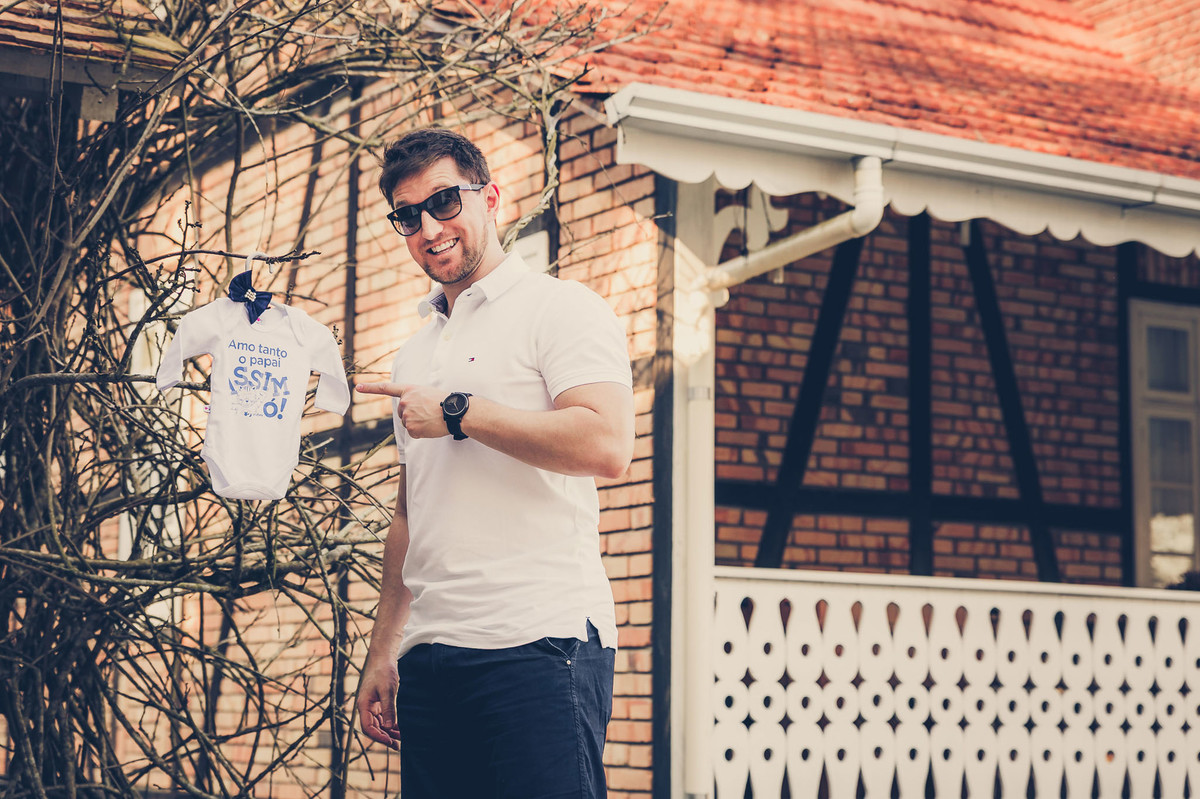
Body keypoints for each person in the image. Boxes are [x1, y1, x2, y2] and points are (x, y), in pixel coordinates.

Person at [353, 127, 634, 799]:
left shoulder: (561, 308)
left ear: (491, 198)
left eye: (445, 201)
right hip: (433, 655)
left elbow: (607, 443)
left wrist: (458, 412)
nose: (429, 226)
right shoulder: (413, 355)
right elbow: (407, 510)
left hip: (539, 642)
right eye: (408, 215)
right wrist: (384, 648)